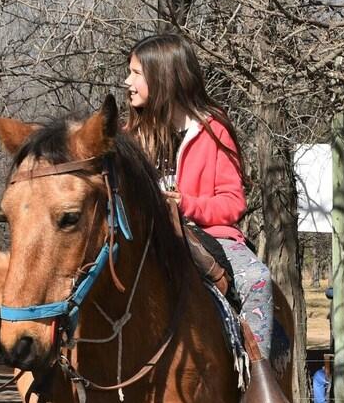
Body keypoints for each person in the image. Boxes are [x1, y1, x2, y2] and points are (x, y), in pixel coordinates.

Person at [121, 34, 282, 362]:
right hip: (145, 238)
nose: (128, 81)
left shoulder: (212, 130)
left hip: (208, 237)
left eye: (136, 73)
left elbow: (232, 203)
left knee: (257, 280)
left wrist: (185, 204)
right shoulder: (128, 137)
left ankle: (261, 390)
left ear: (163, 76)